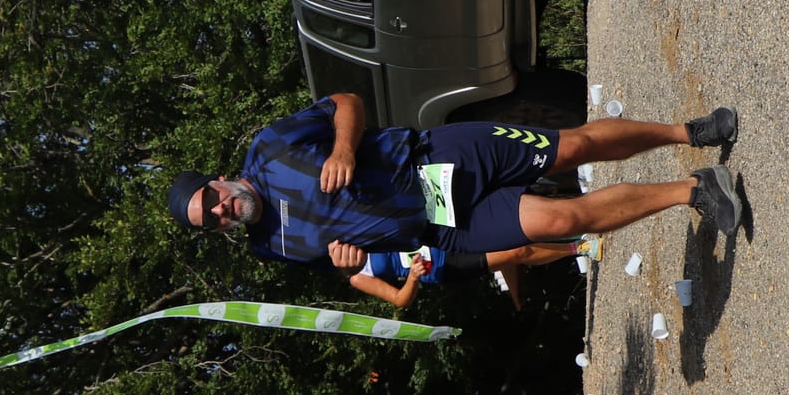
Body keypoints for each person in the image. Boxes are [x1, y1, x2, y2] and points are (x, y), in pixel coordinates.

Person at [166, 91, 740, 270]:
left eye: (210, 199)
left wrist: (342, 147)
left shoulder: (269, 148)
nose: (219, 211)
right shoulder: (271, 248)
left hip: (440, 158)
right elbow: (349, 258)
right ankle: (695, 190)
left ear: (219, 180)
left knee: (572, 148)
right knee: (564, 219)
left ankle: (688, 132)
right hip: (440, 225)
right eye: (209, 221)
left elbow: (345, 102)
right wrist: (348, 262)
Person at [343, 237, 603, 310]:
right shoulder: (357, 276)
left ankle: (576, 222)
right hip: (445, 265)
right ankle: (580, 248)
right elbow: (401, 300)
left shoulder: (354, 231)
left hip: (441, 230)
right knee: (516, 252)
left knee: (511, 232)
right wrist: (413, 277)